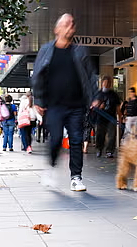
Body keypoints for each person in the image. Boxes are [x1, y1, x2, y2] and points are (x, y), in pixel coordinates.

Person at [32, 13, 98, 191]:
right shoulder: (46, 50)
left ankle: (76, 177)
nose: (70, 26)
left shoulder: (80, 50)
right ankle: (51, 167)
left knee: (76, 140)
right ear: (57, 29)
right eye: (66, 24)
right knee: (56, 139)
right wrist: (38, 99)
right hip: (54, 105)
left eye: (72, 24)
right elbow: (37, 74)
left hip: (76, 105)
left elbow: (91, 75)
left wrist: (94, 97)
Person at [93, 76, 122, 158]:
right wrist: (98, 106)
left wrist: (120, 118)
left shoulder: (114, 95)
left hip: (111, 118)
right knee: (100, 135)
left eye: (108, 83)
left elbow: (118, 108)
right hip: (100, 118)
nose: (106, 85)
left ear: (110, 85)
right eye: (104, 83)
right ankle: (99, 149)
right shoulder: (98, 94)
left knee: (112, 135)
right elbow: (93, 105)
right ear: (102, 84)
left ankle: (109, 151)